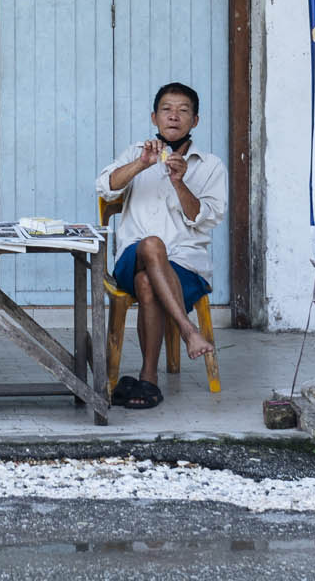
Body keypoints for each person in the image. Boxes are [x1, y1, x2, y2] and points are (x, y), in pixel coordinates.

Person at [95, 81, 228, 411]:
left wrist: (179, 183)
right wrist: (142, 164)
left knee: (147, 282)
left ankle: (148, 378)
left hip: (186, 266)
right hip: (131, 258)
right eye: (167, 110)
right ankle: (188, 331)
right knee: (151, 245)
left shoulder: (209, 165)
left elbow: (206, 218)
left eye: (184, 111)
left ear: (195, 121)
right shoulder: (135, 153)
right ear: (155, 117)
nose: (174, 117)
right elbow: (105, 187)